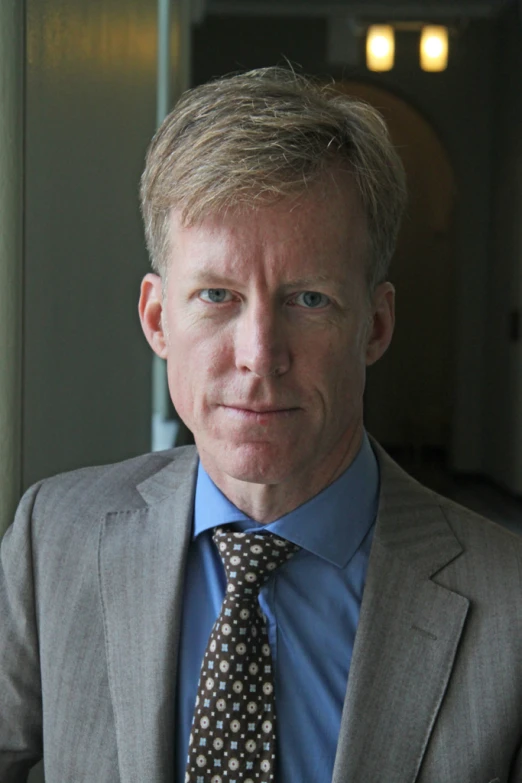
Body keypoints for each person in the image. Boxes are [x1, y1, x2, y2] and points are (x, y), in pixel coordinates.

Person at [1, 67, 522, 783]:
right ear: (158, 318)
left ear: (375, 324)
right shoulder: (49, 539)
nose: (259, 356)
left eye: (308, 299)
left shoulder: (510, 607)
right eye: (217, 295)